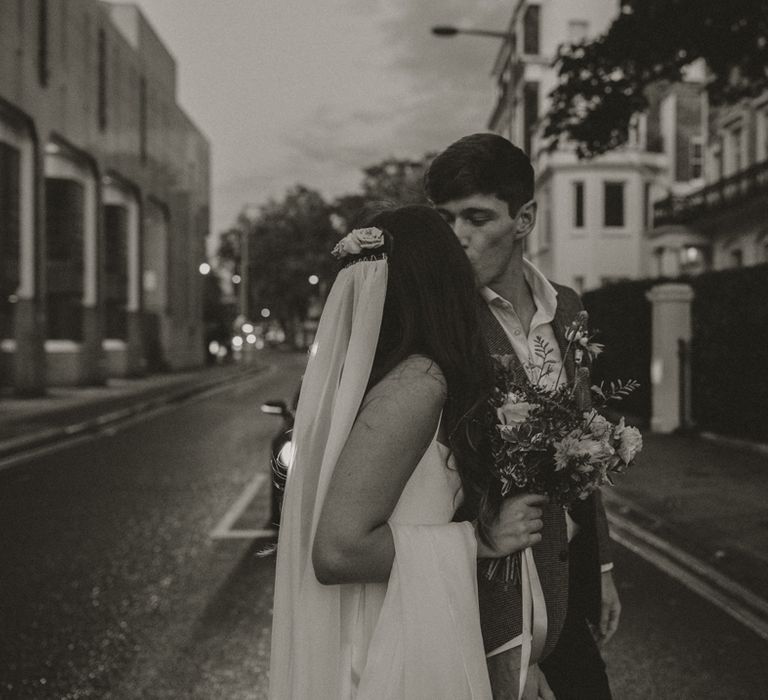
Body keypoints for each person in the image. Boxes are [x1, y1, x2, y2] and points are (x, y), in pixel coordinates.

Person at [268, 205, 547, 700]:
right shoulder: (418, 382)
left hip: (399, 624)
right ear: (441, 282)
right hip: (390, 650)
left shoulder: (378, 380)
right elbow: (337, 550)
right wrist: (480, 539)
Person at [425, 133, 620, 700]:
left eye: (477, 217)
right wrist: (519, 649)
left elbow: (585, 444)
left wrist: (602, 570)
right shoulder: (445, 323)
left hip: (570, 573)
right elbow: (433, 480)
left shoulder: (570, 307)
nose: (457, 236)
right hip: (496, 595)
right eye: (447, 218)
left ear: (525, 218)